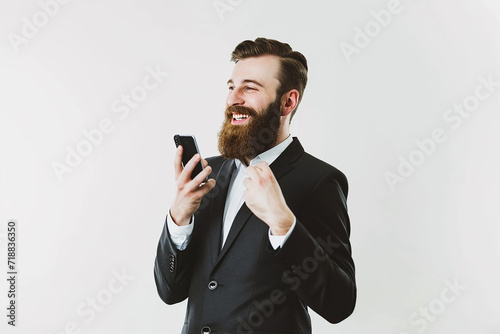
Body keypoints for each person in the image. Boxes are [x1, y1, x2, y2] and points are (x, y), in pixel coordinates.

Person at [154, 37, 356, 334]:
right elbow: (170, 293)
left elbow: (339, 303)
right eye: (231, 87)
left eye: (249, 88)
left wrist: (284, 224)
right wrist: (179, 218)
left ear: (288, 101)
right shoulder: (209, 173)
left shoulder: (319, 181)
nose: (233, 99)